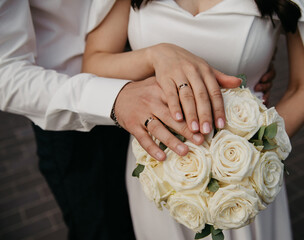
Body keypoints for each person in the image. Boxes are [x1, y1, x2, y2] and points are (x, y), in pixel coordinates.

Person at [0, 0, 274, 239]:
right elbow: (6, 71)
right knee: (102, 228)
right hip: (67, 110)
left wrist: (249, 51)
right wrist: (116, 96)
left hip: (158, 95)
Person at [81, 0, 304, 239]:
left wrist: (255, 155)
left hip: (240, 175)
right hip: (157, 164)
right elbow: (94, 63)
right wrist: (156, 56)